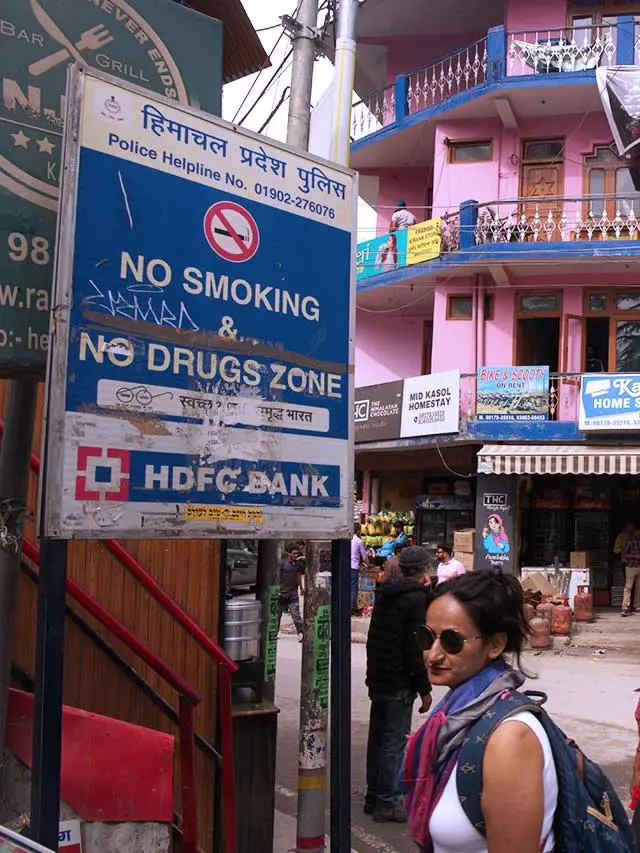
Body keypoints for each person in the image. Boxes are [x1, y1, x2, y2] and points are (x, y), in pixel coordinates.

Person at [404, 570, 558, 853]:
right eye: (427, 637)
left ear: (495, 645)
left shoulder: (509, 739)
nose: (433, 655)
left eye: (451, 641)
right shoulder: (456, 715)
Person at [365, 546, 433, 823]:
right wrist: (424, 688)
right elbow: (413, 648)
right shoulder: (416, 599)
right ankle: (387, 801)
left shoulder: (387, 593)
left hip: (379, 675)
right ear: (424, 570)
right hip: (399, 680)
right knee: (394, 741)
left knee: (378, 738)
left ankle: (374, 796)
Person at [278, 542, 304, 641]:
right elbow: (277, 576)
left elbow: (298, 576)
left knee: (296, 614)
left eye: (297, 553)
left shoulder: (297, 564)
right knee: (278, 614)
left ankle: (300, 632)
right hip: (282, 592)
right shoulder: (282, 563)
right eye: (293, 553)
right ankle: (274, 632)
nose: (295, 555)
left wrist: (301, 588)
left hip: (293, 592)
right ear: (288, 553)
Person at [622, 524, 640, 617]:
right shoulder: (629, 541)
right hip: (631, 566)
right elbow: (624, 554)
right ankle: (625, 607)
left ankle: (637, 607)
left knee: (639, 589)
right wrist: (635, 556)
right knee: (628, 587)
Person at [351, 524, 368, 615]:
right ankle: (351, 608)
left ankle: (347, 607)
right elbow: (364, 556)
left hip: (346, 566)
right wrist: (368, 564)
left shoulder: (348, 540)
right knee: (353, 588)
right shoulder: (359, 541)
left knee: (347, 587)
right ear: (358, 531)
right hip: (354, 567)